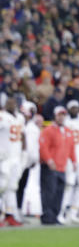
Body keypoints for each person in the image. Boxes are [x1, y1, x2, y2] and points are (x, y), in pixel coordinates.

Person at [39, 106, 75, 225]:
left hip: (62, 166)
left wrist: (74, 161)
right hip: (51, 166)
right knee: (49, 192)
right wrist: (49, 160)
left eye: (63, 115)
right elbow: (43, 147)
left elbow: (71, 148)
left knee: (59, 192)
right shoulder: (48, 130)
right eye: (59, 115)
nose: (61, 117)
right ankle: (47, 216)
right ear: (55, 116)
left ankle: (55, 215)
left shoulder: (68, 131)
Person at [60, 99, 79, 224]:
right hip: (70, 156)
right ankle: (61, 212)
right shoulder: (65, 121)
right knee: (69, 185)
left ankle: (73, 212)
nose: (75, 109)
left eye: (76, 107)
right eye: (72, 108)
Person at [0, 95, 26, 226]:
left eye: (13, 102)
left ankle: (10, 215)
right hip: (3, 158)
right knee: (1, 186)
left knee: (12, 187)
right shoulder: (2, 116)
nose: (12, 105)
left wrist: (24, 153)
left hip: (15, 157)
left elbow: (23, 136)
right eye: (9, 103)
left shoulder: (20, 117)